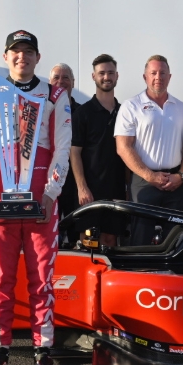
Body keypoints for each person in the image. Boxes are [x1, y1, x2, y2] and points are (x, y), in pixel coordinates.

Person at [0, 30, 72, 365]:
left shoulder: (55, 94)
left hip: (41, 198)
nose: (22, 57)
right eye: (16, 51)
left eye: (29, 51)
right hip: (0, 198)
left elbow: (62, 147)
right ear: (6, 56)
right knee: (1, 278)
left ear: (37, 58)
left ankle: (43, 353)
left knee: (41, 280)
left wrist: (52, 191)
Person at [115, 55, 183, 243]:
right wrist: (149, 176)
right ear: (145, 77)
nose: (158, 77)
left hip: (176, 182)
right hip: (144, 182)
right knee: (140, 239)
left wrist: (181, 176)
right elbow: (123, 147)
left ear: (170, 77)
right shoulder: (131, 106)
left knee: (176, 240)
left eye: (163, 73)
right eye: (153, 73)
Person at [70, 55, 129, 247]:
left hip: (116, 190)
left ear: (117, 76)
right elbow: (74, 152)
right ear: (93, 76)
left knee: (110, 240)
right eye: (102, 73)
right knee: (89, 241)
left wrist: (128, 188)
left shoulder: (125, 112)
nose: (106, 77)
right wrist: (82, 187)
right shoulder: (83, 113)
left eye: (110, 73)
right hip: (90, 191)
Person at [50, 63, 81, 236]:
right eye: (56, 77)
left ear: (73, 82)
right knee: (49, 233)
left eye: (66, 78)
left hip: (75, 184)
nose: (61, 82)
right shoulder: (41, 111)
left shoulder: (83, 113)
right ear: (49, 82)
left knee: (76, 234)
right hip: (49, 182)